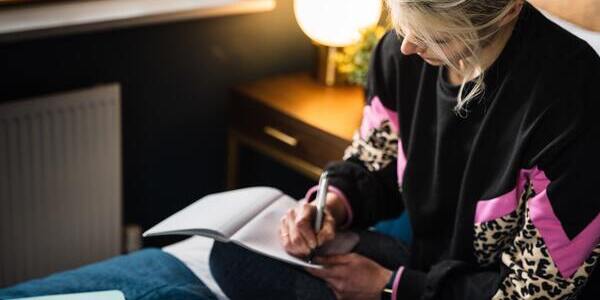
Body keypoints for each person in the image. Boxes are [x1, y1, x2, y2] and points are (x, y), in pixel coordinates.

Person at [210, 0, 600, 299]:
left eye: (437, 37)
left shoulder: (573, 97)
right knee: (232, 256)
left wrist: (390, 289)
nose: (409, 46)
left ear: (506, 11)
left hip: (490, 289)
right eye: (403, 23)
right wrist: (332, 206)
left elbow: (534, 289)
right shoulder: (400, 51)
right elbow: (373, 163)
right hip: (429, 271)